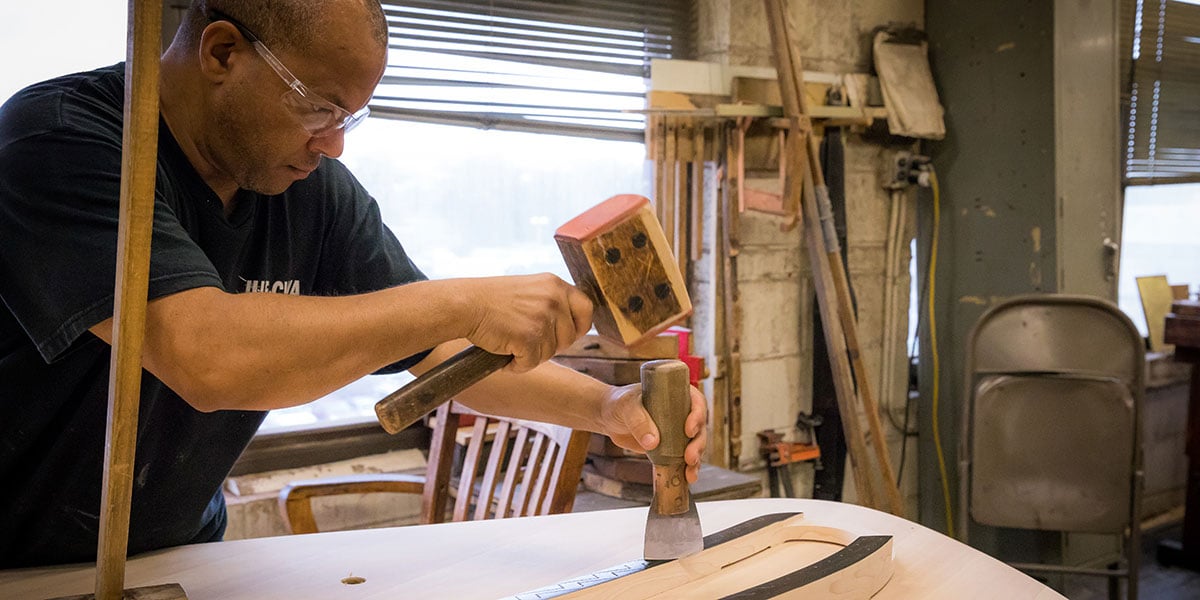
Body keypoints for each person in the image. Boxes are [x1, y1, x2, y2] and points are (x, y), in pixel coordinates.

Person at [0, 0, 707, 569]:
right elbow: (206, 355)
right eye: (319, 107)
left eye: (351, 117)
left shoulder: (312, 192)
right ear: (221, 51)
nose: (334, 144)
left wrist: (611, 407)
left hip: (173, 553)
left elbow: (437, 354)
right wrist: (464, 298)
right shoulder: (62, 141)